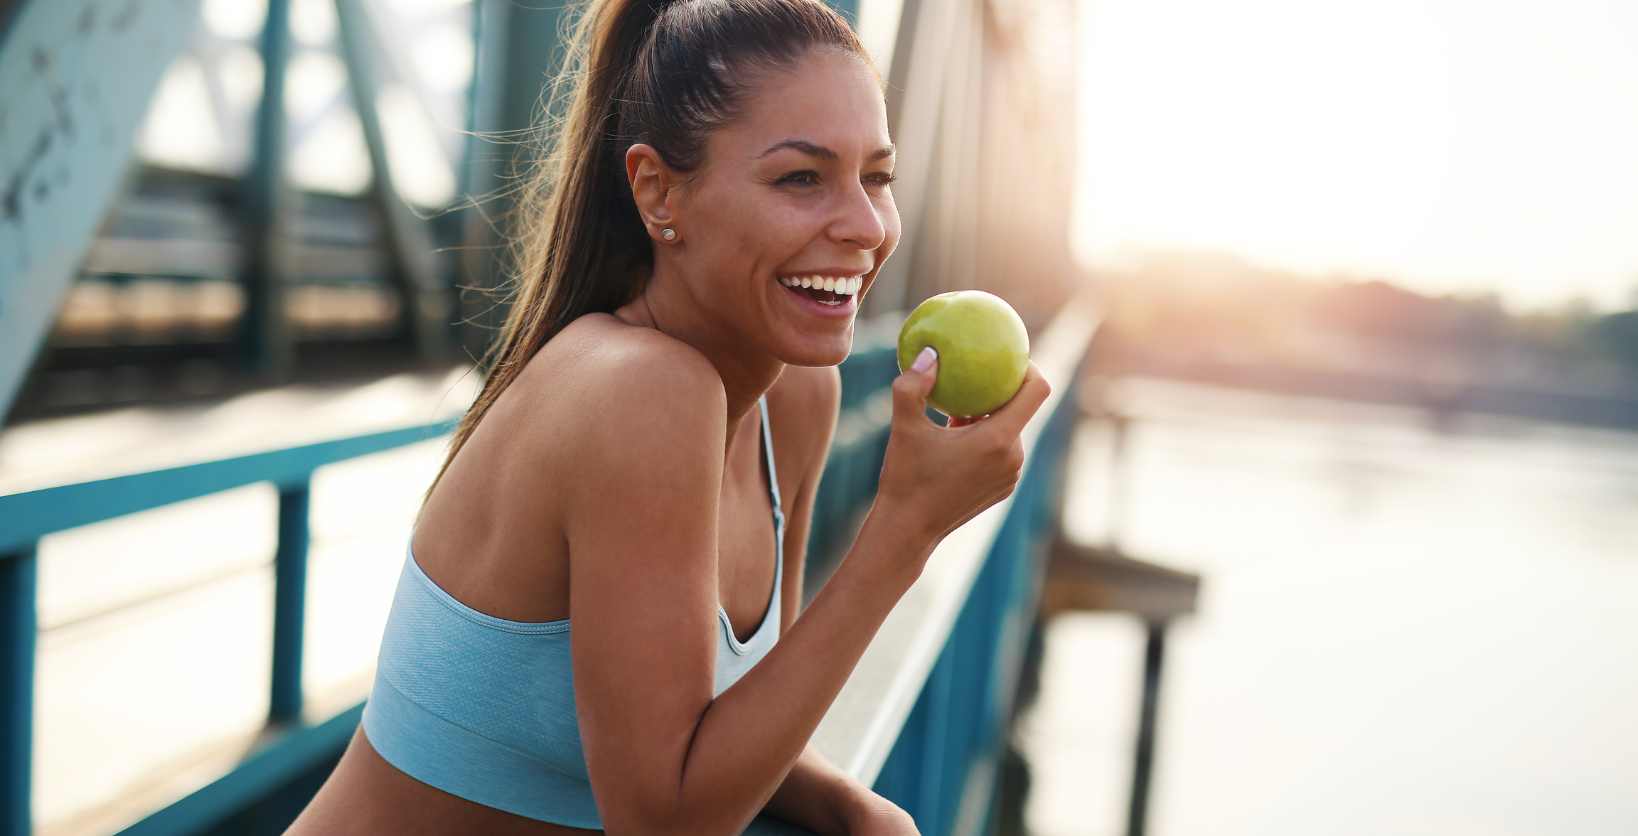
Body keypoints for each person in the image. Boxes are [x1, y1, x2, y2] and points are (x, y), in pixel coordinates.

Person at [287, 0, 1048, 831]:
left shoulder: (793, 396)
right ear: (657, 192)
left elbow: (729, 715)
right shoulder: (639, 393)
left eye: (877, 177)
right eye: (802, 177)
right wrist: (906, 527)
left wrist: (855, 810)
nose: (867, 228)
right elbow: (665, 820)